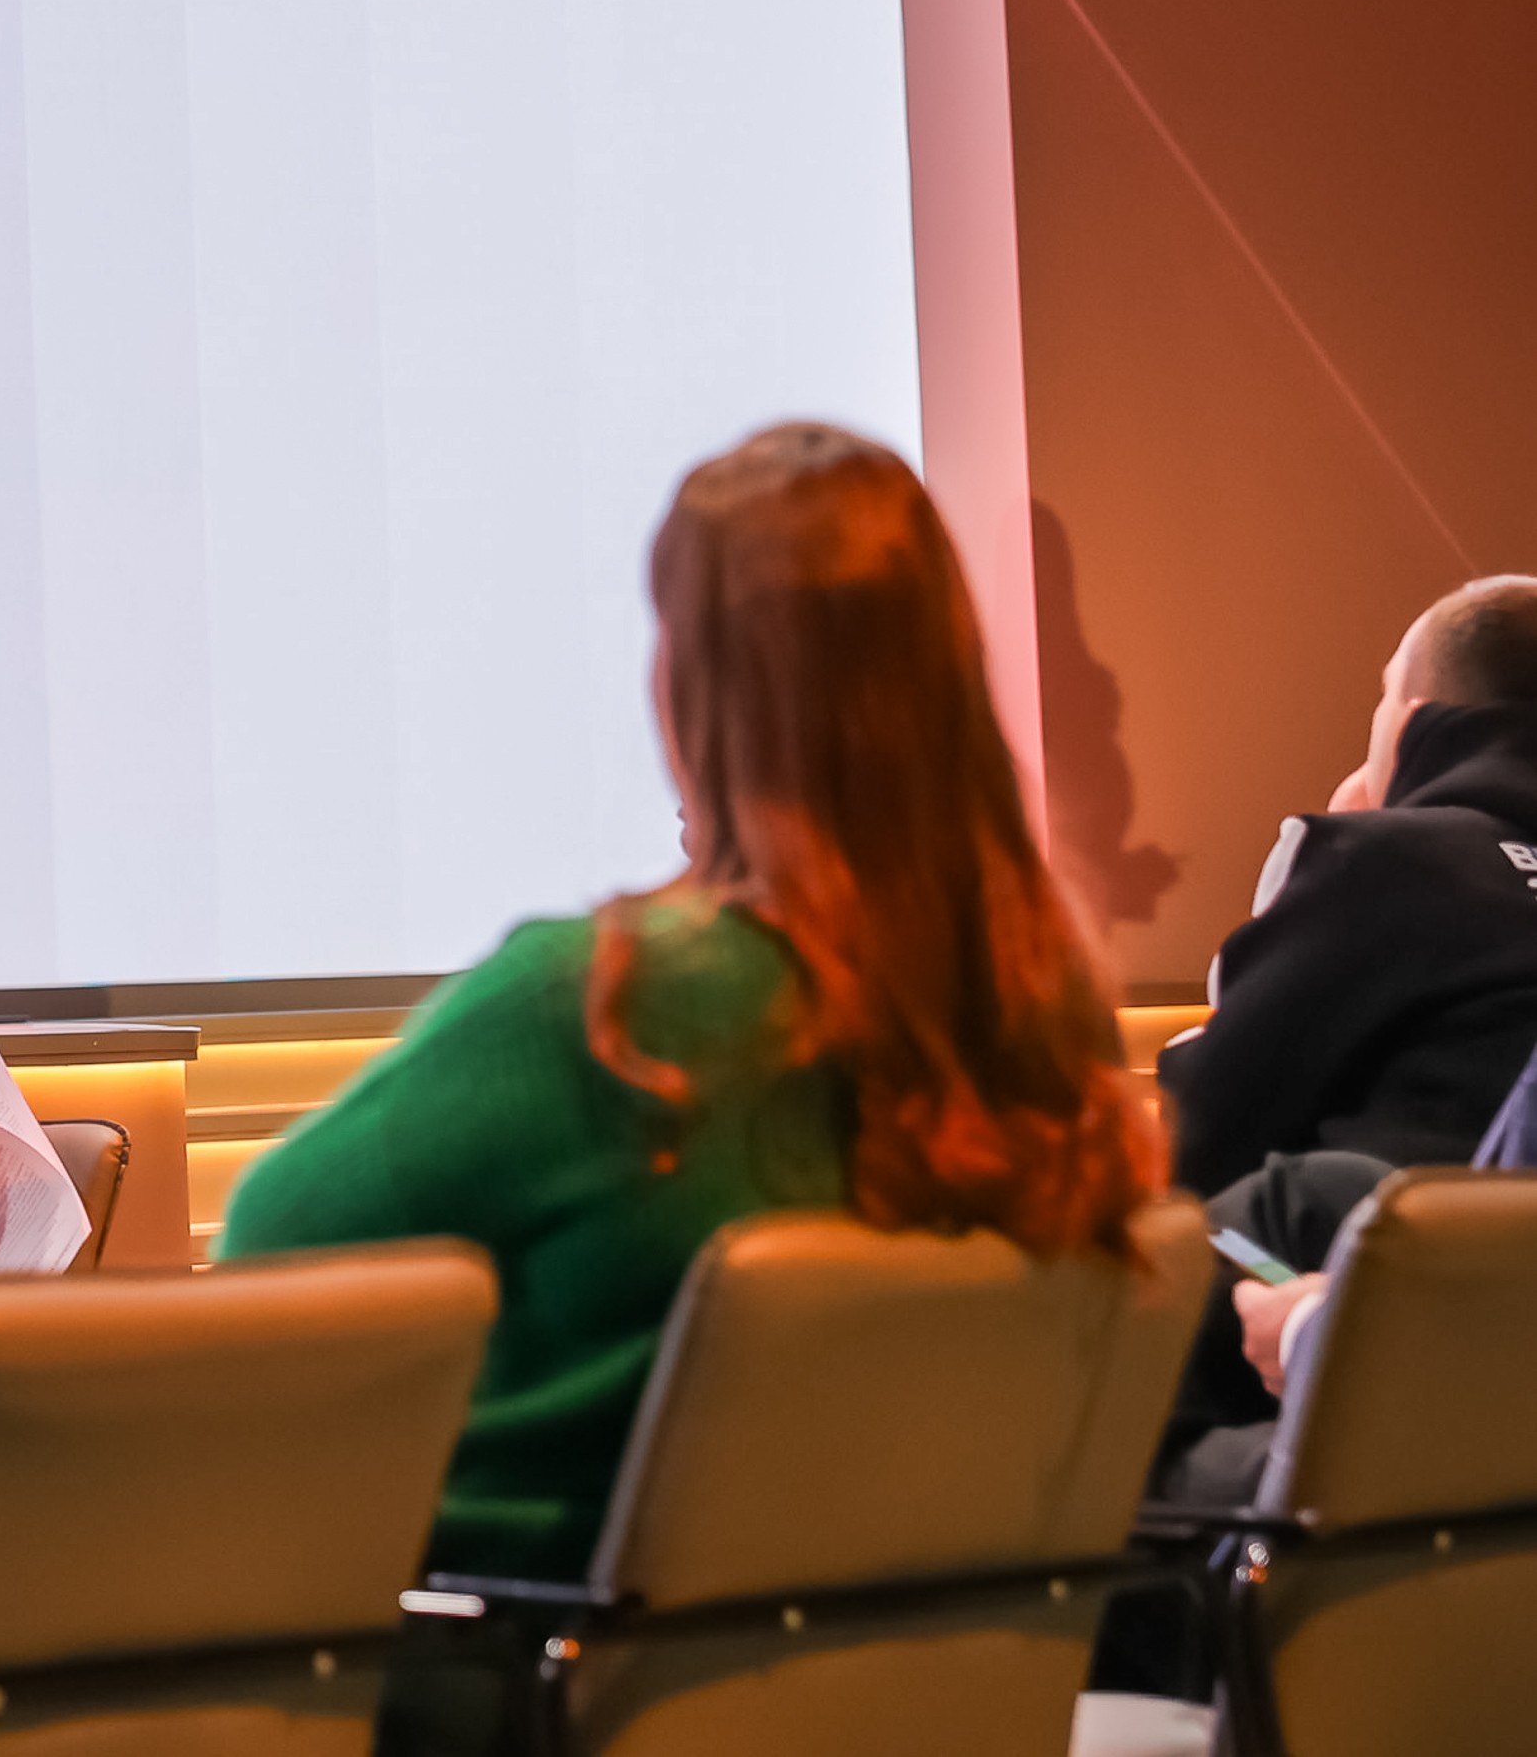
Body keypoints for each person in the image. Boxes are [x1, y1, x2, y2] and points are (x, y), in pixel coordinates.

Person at [219, 423, 1162, 1595]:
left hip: (515, 1663)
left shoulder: (600, 1008)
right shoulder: (1042, 1009)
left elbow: (264, 1249)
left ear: (685, 688)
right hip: (921, 1671)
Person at [1154, 575, 1537, 1195]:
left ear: (1411, 721)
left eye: (1381, 698)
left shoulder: (1383, 860)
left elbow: (1204, 1134)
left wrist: (1189, 1050)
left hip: (1389, 1246)